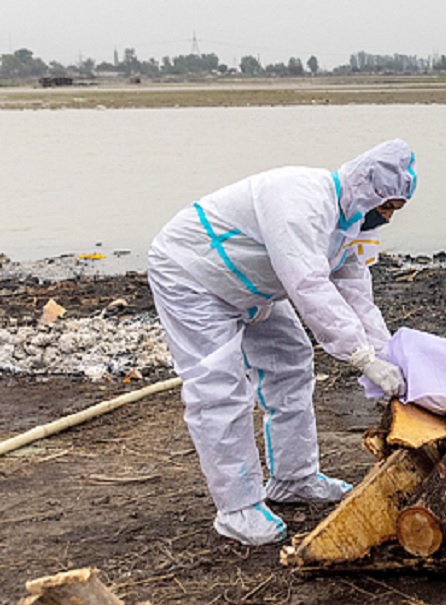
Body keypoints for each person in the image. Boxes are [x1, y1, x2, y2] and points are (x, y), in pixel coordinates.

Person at [148, 139, 417, 545]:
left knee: (291, 359)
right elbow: (308, 285)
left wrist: (386, 354)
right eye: (388, 207)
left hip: (251, 286)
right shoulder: (302, 200)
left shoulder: (349, 223)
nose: (388, 218)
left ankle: (294, 478)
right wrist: (360, 357)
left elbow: (354, 290)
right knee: (218, 388)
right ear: (368, 190)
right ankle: (237, 507)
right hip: (194, 277)